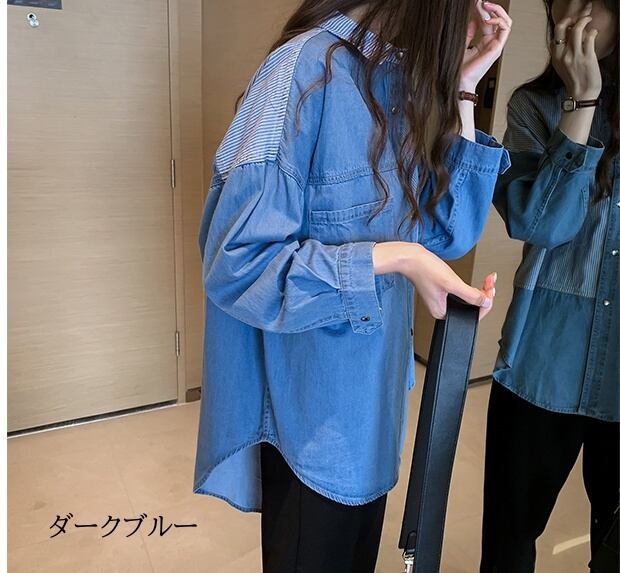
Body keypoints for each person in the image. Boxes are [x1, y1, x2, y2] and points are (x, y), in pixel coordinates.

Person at [193, 1, 511, 571]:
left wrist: (465, 88)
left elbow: (451, 232)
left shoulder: (402, 81)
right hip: (311, 425)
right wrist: (398, 257)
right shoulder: (300, 72)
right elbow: (238, 265)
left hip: (375, 410)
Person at [480, 0, 619, 571]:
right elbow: (540, 226)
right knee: (509, 542)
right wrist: (581, 103)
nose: (573, 13)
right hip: (540, 363)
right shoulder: (531, 106)